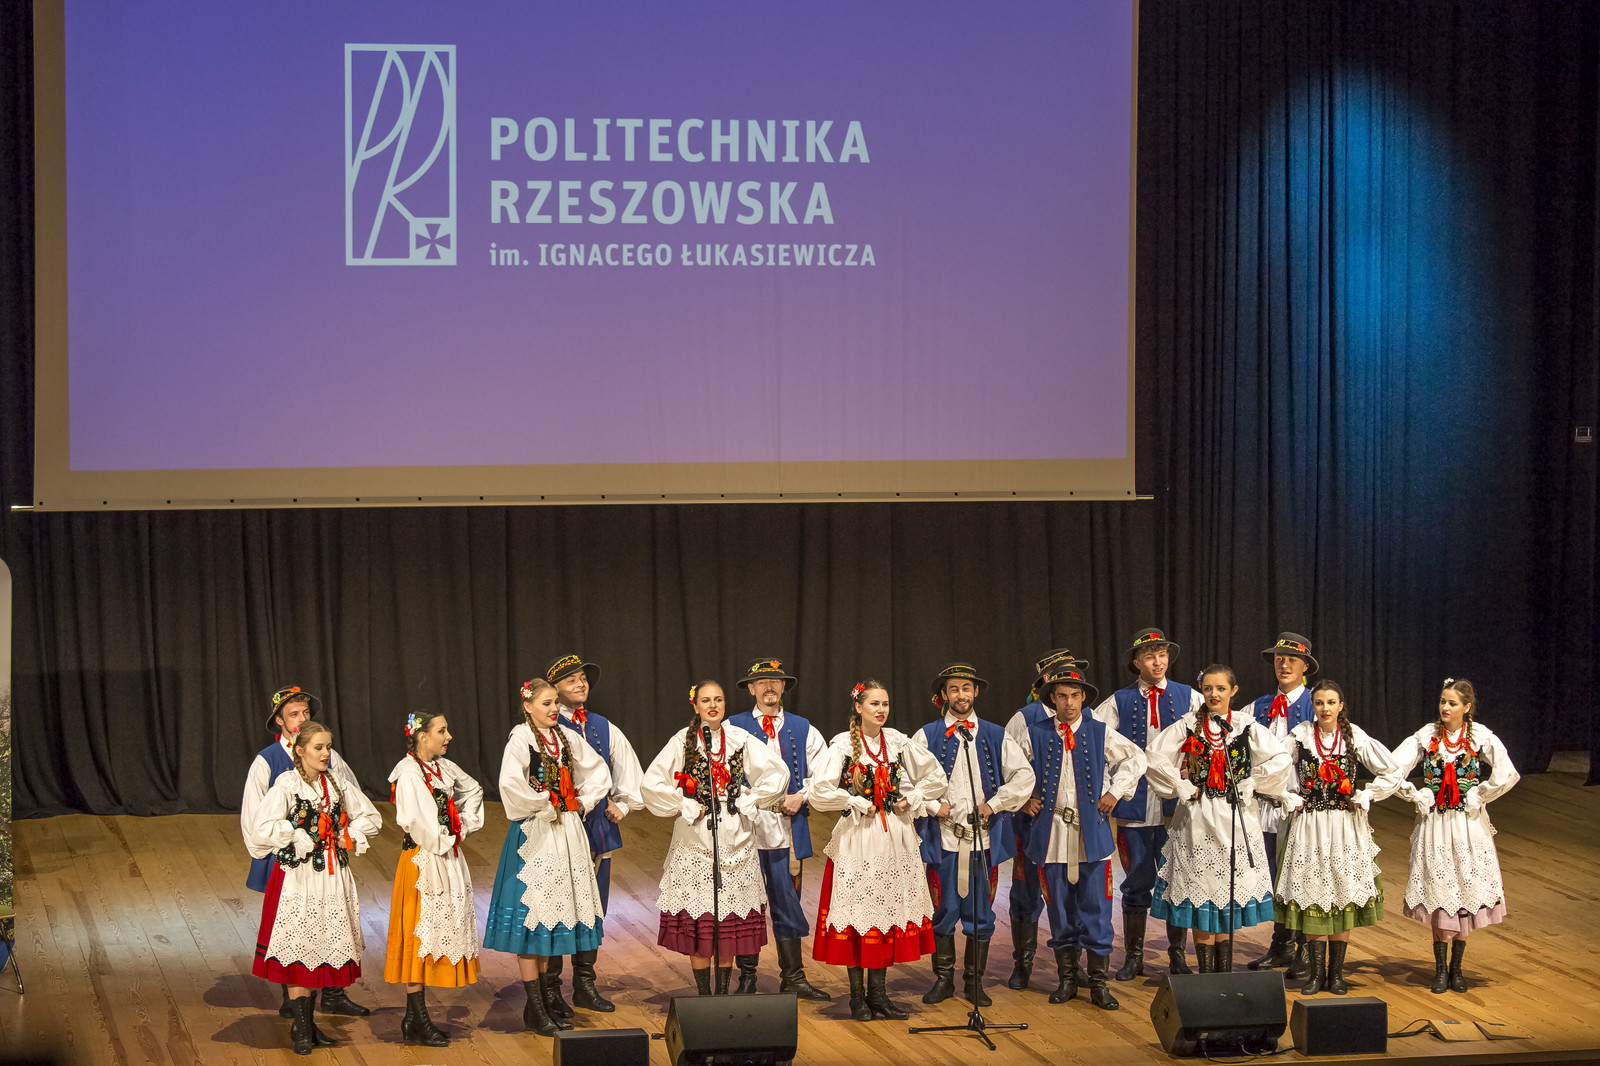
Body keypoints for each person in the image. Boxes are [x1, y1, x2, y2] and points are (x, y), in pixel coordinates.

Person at [811, 680, 948, 1020]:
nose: (881, 709)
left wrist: (911, 798)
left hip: (894, 838)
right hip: (859, 839)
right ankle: (857, 998)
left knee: (886, 911)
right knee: (859, 912)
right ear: (858, 707)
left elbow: (936, 777)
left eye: (885, 703)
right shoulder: (842, 745)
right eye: (874, 704)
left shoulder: (898, 742)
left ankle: (879, 995)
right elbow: (819, 791)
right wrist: (853, 800)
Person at [641, 680, 790, 994]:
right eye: (706, 700)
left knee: (728, 922)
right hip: (697, 834)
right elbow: (652, 783)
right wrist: (684, 803)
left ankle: (722, 994)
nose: (713, 705)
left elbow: (778, 773)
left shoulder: (738, 738)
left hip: (736, 834)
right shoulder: (683, 740)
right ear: (695, 706)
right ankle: (704, 995)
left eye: (719, 700)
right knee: (702, 918)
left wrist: (751, 799)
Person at [482, 678, 612, 1036]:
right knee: (533, 918)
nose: (554, 708)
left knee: (554, 915)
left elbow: (598, 769)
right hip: (536, 834)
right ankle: (535, 1006)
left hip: (566, 833)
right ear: (528, 707)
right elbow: (510, 783)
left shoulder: (565, 737)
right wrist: (544, 804)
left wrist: (582, 801)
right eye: (546, 703)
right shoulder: (521, 738)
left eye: (555, 702)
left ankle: (545, 1001)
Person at [245, 721, 382, 1056]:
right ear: (300, 750)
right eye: (318, 747)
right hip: (298, 880)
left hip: (332, 879)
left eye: (328, 747)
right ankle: (302, 1029)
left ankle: (307, 1025)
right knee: (300, 949)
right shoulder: (287, 784)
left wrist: (348, 835)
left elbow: (372, 818)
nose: (325, 753)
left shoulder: (336, 783)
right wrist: (294, 833)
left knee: (320, 946)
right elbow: (261, 827)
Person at [1146, 666, 1292, 974]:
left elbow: (1281, 759)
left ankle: (1223, 975)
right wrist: (1178, 783)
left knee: (1227, 893)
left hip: (1235, 818)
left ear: (1233, 691)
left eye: (1221, 688)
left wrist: (1254, 781)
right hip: (1197, 818)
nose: (1214, 694)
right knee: (1202, 891)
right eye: (1209, 688)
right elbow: (1154, 755)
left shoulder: (1245, 726)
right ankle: (1206, 976)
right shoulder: (1188, 725)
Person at [1017, 665, 1146, 1009]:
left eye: (1075, 696)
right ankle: (1068, 979)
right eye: (1062, 696)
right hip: (1052, 835)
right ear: (1053, 699)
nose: (1069, 703)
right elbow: (1010, 768)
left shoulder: (1099, 731)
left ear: (1084, 697)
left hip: (1092, 834)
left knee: (1096, 908)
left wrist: (1115, 792)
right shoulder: (1035, 733)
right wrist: (1024, 799)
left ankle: (1099, 983)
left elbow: (1136, 758)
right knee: (1059, 908)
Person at [911, 663, 1035, 1007]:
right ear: (944, 694)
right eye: (954, 689)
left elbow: (1024, 776)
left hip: (984, 840)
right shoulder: (927, 735)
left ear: (976, 691)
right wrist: (932, 806)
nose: (961, 695)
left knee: (981, 914)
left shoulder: (995, 734)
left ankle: (974, 983)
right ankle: (943, 980)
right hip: (943, 840)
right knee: (943, 910)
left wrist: (994, 804)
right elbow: (904, 779)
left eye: (966, 688)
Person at [1391, 678, 1519, 994]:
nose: (1445, 708)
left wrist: (1481, 794)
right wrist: (1415, 793)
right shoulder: (1426, 736)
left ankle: (1457, 968)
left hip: (1467, 825)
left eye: (1452, 703)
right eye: (1442, 701)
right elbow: (1391, 768)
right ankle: (1439, 969)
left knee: (1463, 888)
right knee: (1439, 888)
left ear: (1466, 707)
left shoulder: (1479, 737)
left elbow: (1507, 773)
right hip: (1435, 824)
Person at [1273, 680, 1402, 995]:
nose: (1325, 708)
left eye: (1331, 702)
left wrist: (1368, 794)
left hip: (1345, 826)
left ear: (1341, 705)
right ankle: (1316, 975)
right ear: (1313, 706)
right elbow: (1270, 767)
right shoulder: (1301, 736)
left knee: (1342, 893)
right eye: (1319, 703)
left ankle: (1336, 974)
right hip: (1311, 825)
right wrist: (1286, 795)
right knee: (1314, 892)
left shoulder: (1354, 736)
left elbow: (1393, 771)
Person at [1091, 628, 1204, 979]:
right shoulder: (1118, 701)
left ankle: (1176, 956)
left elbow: (1211, 737)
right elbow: (1093, 740)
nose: (1158, 662)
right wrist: (1110, 786)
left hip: (1177, 807)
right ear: (1137, 661)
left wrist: (1194, 773)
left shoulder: (1190, 697)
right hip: (1135, 807)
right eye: (1150, 656)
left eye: (1162, 655)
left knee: (1177, 880)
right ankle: (1134, 957)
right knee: (1137, 881)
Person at [543, 654, 644, 1017]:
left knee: (593, 907)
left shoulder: (602, 726)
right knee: (556, 906)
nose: (580, 684)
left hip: (597, 831)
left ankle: (584, 984)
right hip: (557, 832)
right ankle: (550, 989)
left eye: (583, 678)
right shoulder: (544, 726)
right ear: (555, 689)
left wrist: (624, 805)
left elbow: (630, 771)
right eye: (571, 679)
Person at [726, 657, 831, 999]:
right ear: (751, 689)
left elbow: (824, 773)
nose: (769, 687)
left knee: (788, 900)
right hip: (747, 828)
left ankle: (794, 977)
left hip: (788, 828)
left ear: (783, 686)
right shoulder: (734, 727)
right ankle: (747, 978)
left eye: (775, 681)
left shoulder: (803, 728)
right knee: (746, 902)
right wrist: (747, 797)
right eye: (762, 682)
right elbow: (722, 772)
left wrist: (802, 795)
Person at [384, 710, 484, 1048]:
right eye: (442, 730)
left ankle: (414, 1018)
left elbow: (474, 790)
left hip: (445, 855)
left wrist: (463, 825)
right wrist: (448, 837)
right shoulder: (409, 773)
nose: (448, 736)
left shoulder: (442, 767)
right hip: (422, 861)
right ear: (422, 736)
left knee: (433, 933)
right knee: (419, 935)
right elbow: (420, 823)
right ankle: (417, 1017)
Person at [1002, 648, 1088, 991]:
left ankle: (1072, 965)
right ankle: (1022, 963)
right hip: (1033, 825)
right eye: (1065, 673)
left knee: (1072, 892)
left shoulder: (1085, 717)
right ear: (1049, 682)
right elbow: (1006, 766)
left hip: (1072, 826)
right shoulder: (1024, 719)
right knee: (1025, 893)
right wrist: (1023, 800)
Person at [1245, 634, 1320, 972]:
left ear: (1305, 666)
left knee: (1299, 874)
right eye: (1279, 659)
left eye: (1292, 659)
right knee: (1273, 876)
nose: (1284, 665)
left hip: (1300, 805)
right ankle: (1281, 944)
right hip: (1264, 806)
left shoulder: (1316, 706)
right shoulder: (1258, 707)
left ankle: (1305, 947)